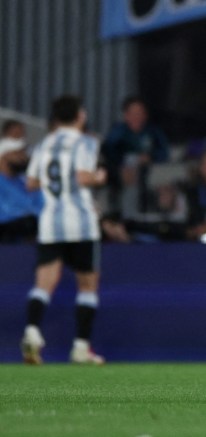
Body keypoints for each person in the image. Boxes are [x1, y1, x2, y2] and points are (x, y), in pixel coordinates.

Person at [20, 95, 107, 365]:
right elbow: (82, 176)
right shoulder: (87, 142)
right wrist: (99, 177)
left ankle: (32, 331)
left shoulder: (44, 144)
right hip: (81, 222)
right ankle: (81, 348)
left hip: (50, 223)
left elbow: (31, 183)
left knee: (44, 283)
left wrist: (51, 183)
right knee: (88, 284)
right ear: (80, 115)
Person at [102, 96, 171, 217]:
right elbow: (108, 151)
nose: (137, 117)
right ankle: (128, 218)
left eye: (140, 113)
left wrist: (150, 157)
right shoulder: (118, 131)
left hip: (150, 172)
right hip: (124, 173)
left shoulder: (153, 132)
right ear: (126, 116)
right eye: (133, 113)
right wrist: (122, 162)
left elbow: (164, 153)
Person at [0, 136, 43, 242]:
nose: (23, 157)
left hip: (32, 232)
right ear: (3, 157)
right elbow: (6, 212)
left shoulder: (24, 181)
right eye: (17, 153)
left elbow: (41, 203)